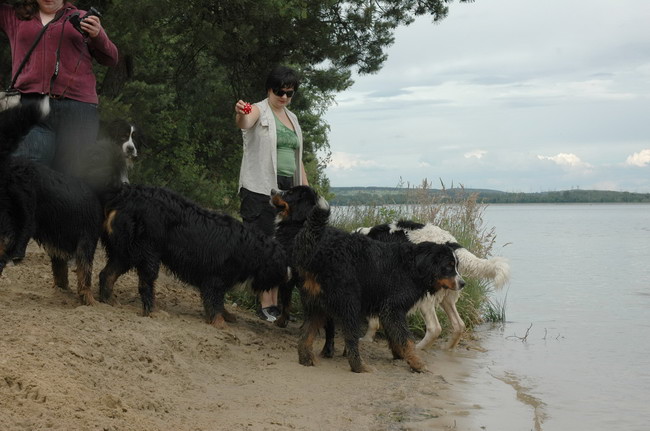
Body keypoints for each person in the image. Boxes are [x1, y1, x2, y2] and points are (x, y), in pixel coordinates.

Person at [0, 0, 118, 176]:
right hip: (31, 107)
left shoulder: (81, 17)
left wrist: (98, 35)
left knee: (73, 179)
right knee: (24, 172)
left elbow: (111, 58)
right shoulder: (13, 15)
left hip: (78, 111)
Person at [234, 65, 309, 322]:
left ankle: (277, 305)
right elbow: (245, 122)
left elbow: (297, 158)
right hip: (260, 190)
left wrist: (306, 190)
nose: (284, 97)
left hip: (287, 192)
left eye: (290, 93)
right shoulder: (258, 110)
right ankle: (266, 304)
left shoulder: (293, 118)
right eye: (280, 91)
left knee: (281, 250)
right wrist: (241, 113)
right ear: (269, 89)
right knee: (264, 248)